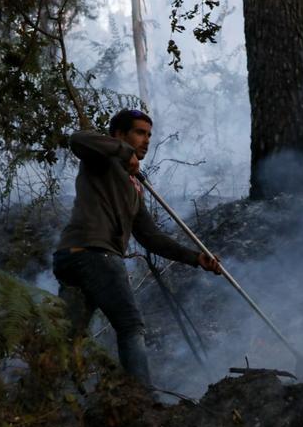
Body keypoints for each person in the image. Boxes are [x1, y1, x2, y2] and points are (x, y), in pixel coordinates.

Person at [52, 109, 221, 387]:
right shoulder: (102, 158)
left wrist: (195, 258)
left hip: (75, 256)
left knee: (69, 335)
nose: (146, 141)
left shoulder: (134, 187)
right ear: (119, 134)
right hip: (95, 254)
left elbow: (151, 237)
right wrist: (122, 151)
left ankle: (56, 397)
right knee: (130, 326)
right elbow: (78, 139)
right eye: (140, 133)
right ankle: (142, 401)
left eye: (149, 135)